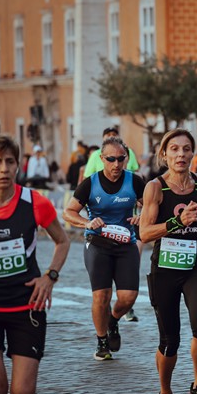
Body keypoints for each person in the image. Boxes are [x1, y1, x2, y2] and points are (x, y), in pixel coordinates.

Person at [0, 135, 70, 394]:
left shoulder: (35, 202)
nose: (4, 169)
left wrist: (50, 277)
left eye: (10, 162)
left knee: (22, 391)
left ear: (18, 165)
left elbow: (62, 241)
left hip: (27, 306)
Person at [139, 128, 197, 394]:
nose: (181, 154)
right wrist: (178, 221)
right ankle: (165, 392)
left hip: (196, 264)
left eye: (186, 149)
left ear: (193, 152)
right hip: (165, 267)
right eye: (174, 149)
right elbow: (144, 232)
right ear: (164, 154)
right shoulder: (156, 187)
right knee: (170, 340)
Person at [63, 136, 145, 361]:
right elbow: (68, 212)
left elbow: (152, 207)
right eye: (111, 159)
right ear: (102, 159)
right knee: (101, 296)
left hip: (126, 244)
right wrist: (87, 222)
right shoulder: (90, 183)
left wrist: (143, 218)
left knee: (128, 297)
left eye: (121, 159)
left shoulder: (135, 181)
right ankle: (102, 341)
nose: (116, 164)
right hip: (98, 244)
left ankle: (113, 320)